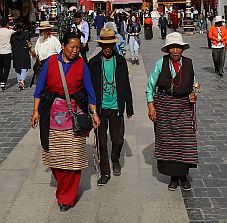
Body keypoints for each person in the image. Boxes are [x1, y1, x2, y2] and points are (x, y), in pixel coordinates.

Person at [31, 32, 100, 212]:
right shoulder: (51, 62)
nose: (75, 51)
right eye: (72, 47)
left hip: (74, 116)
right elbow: (39, 90)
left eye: (78, 47)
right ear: (63, 46)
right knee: (55, 158)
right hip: (52, 114)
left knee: (74, 159)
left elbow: (90, 91)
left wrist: (94, 113)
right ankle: (64, 187)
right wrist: (35, 111)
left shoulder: (82, 65)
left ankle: (66, 197)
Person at [146, 32, 199, 191]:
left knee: (185, 141)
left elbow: (194, 84)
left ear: (182, 49)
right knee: (168, 142)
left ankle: (183, 175)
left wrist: (194, 95)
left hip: (183, 107)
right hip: (164, 107)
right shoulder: (160, 64)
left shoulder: (188, 63)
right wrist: (151, 106)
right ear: (168, 49)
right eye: (172, 48)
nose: (175, 51)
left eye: (178, 47)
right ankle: (173, 177)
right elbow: (150, 86)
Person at [88, 28, 134, 186]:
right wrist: (91, 110)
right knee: (101, 141)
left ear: (114, 45)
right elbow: (89, 88)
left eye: (110, 45)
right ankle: (105, 172)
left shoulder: (120, 61)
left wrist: (130, 107)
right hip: (100, 109)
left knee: (118, 139)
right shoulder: (93, 63)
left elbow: (126, 85)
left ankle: (115, 158)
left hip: (117, 107)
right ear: (101, 45)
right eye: (105, 45)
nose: (108, 48)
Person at [29, 21, 62, 86]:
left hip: (51, 65)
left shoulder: (54, 40)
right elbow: (36, 52)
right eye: (40, 31)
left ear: (48, 31)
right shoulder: (39, 40)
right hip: (40, 65)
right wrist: (32, 51)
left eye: (43, 31)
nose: (41, 33)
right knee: (40, 84)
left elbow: (60, 52)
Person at [10, 22, 31, 90]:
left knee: (18, 68)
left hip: (16, 53)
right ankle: (22, 80)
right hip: (24, 52)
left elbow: (12, 44)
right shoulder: (26, 34)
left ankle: (20, 81)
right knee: (24, 68)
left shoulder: (13, 35)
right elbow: (28, 42)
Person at [0, 18, 15, 90]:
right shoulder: (10, 32)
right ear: (7, 24)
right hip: (7, 52)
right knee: (6, 68)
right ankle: (4, 81)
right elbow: (16, 31)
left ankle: (1, 80)